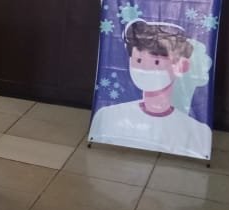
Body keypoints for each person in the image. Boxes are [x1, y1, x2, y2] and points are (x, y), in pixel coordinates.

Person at [89, 19, 212, 157]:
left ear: (181, 66)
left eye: (157, 62)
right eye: (138, 60)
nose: (145, 69)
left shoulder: (197, 132)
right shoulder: (107, 116)